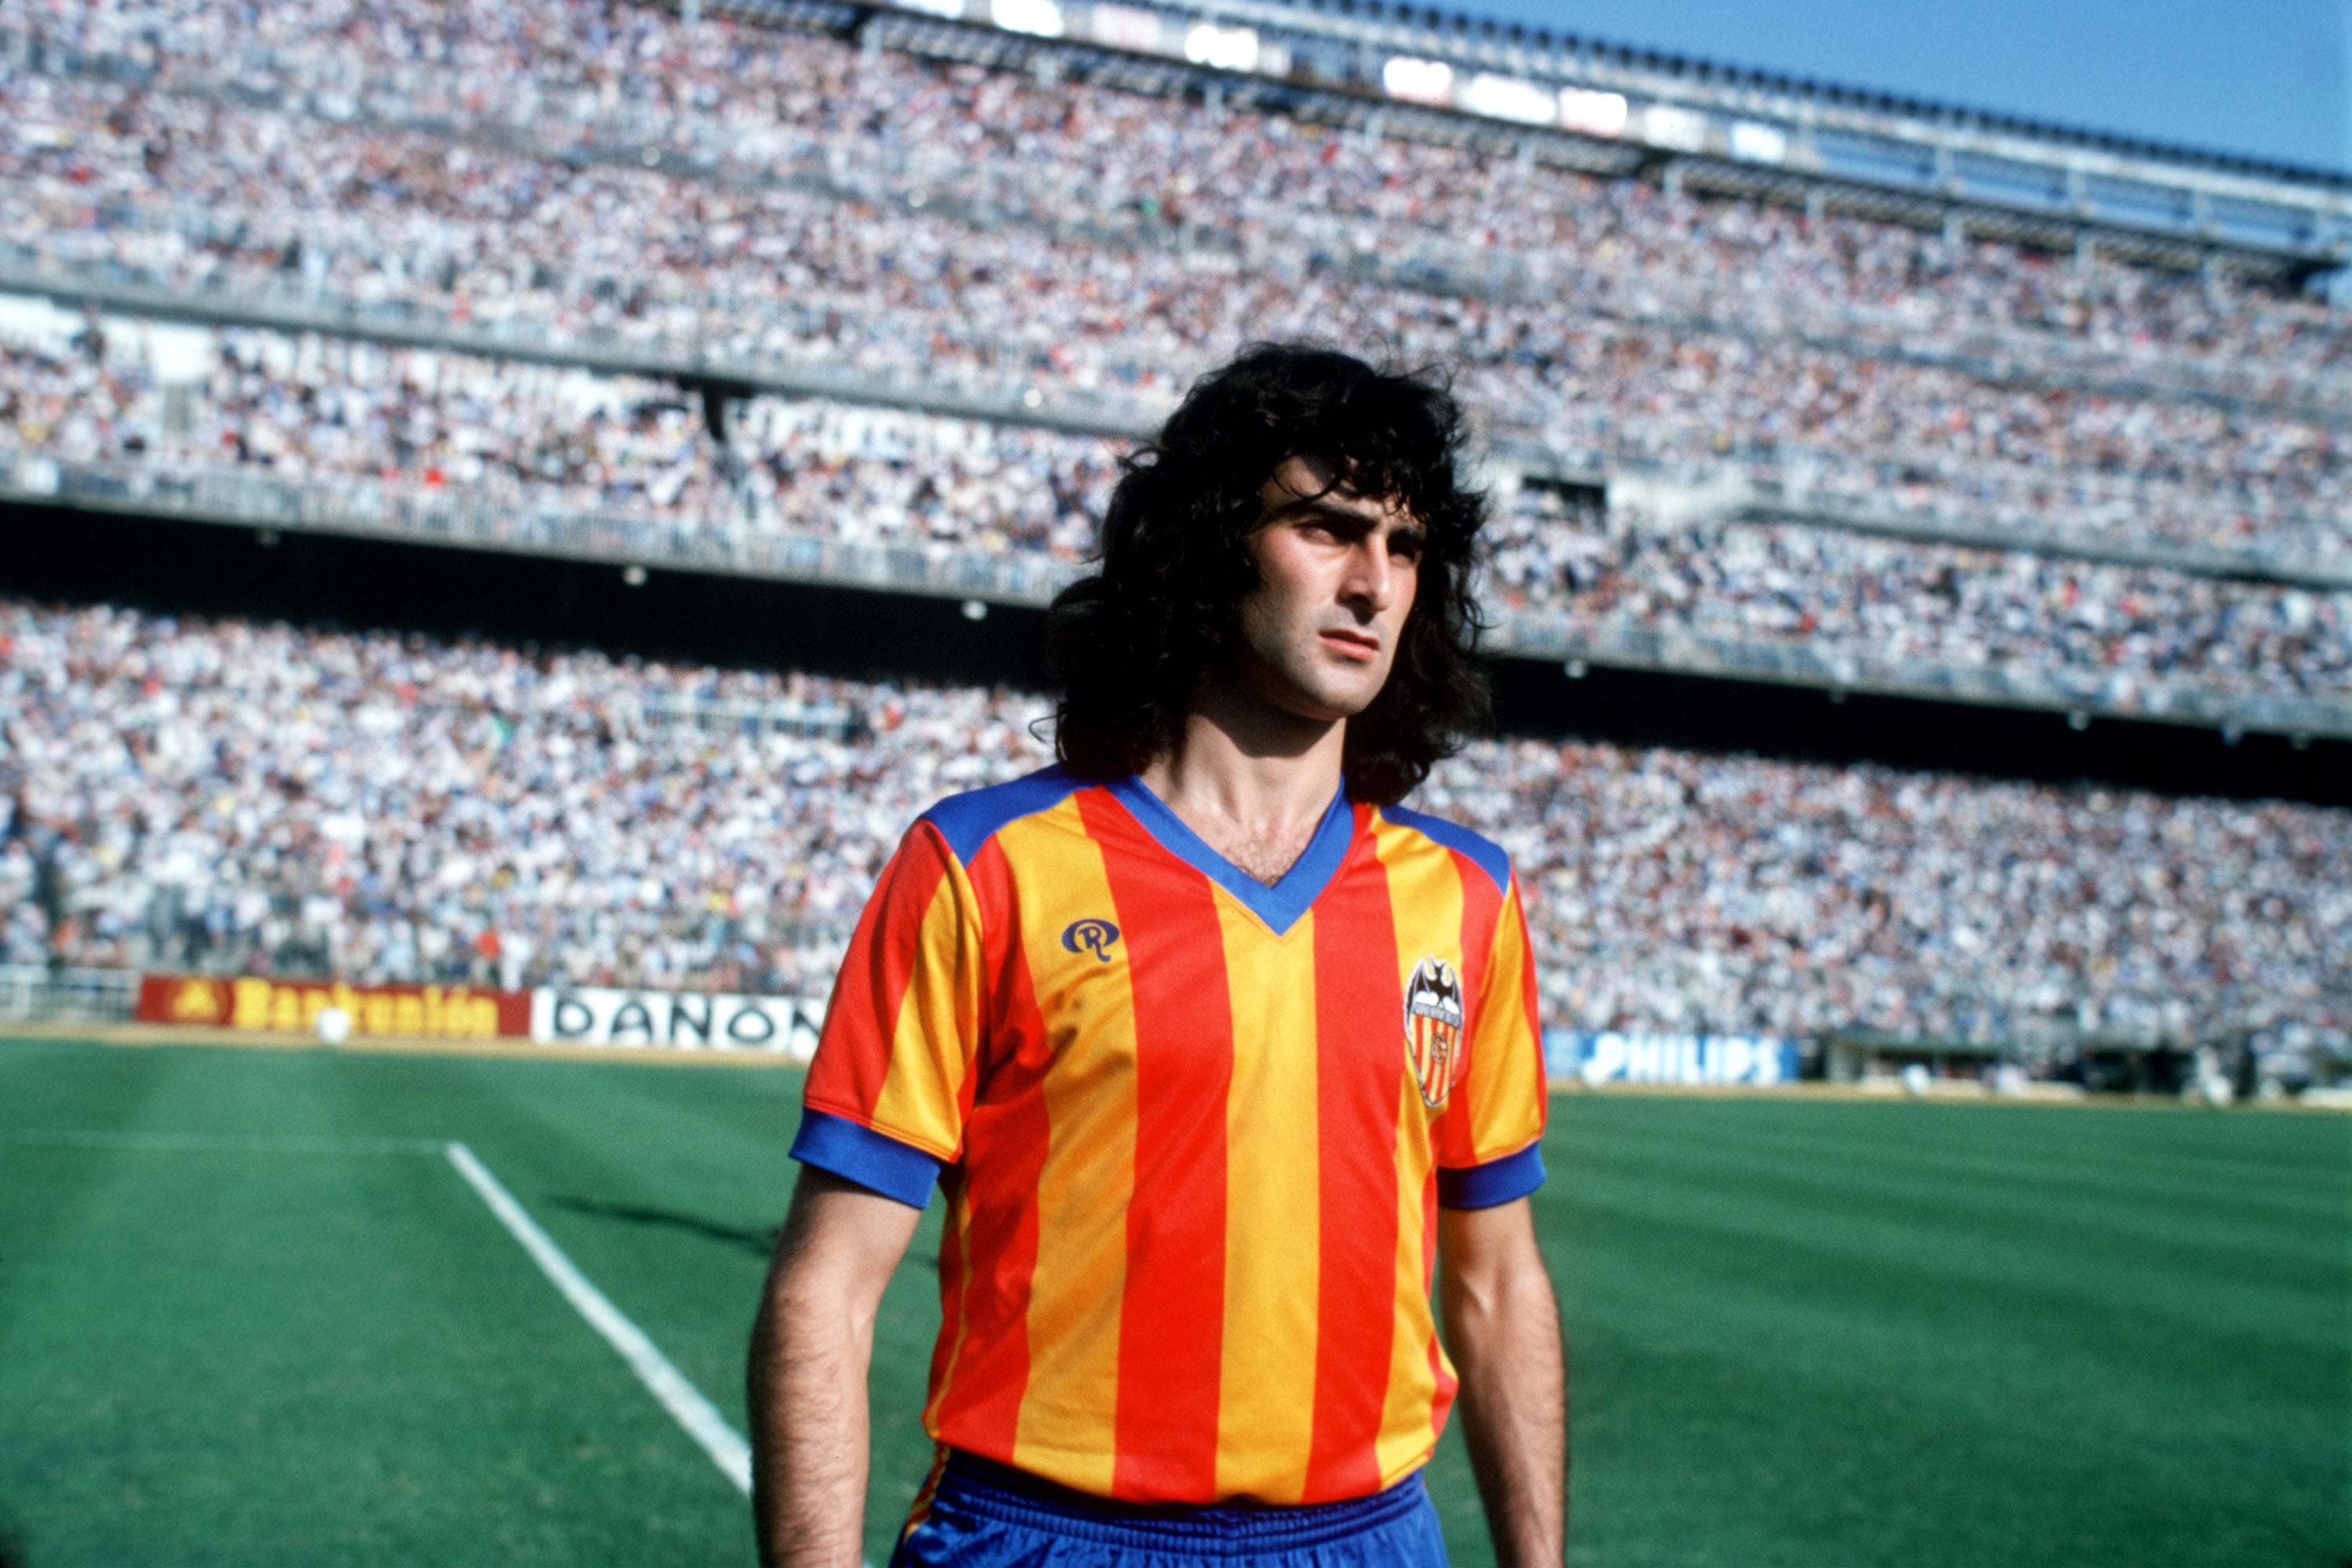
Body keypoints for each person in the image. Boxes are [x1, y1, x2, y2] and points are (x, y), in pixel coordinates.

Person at [748, 344, 1566, 1568]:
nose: (1375, 585)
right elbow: (828, 1288)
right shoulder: (986, 863)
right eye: (1330, 530)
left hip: (1369, 1540)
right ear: (1211, 543)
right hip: (1048, 1535)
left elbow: (1498, 1288)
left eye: (1405, 549)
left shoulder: (1467, 896)